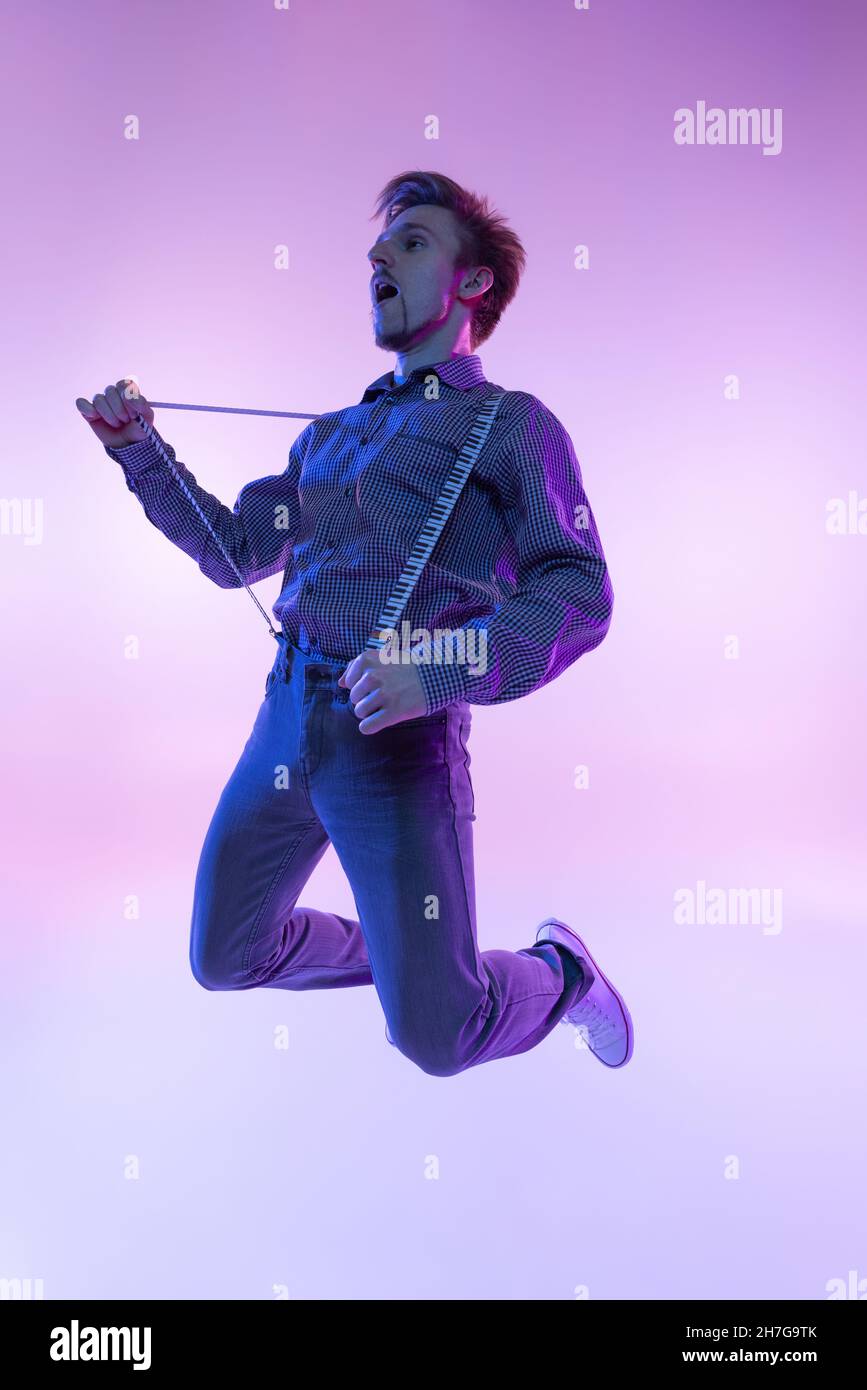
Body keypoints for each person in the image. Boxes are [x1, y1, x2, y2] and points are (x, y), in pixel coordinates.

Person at [75, 170, 633, 1076]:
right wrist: (141, 454)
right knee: (223, 955)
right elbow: (232, 551)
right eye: (379, 246)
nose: (378, 255)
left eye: (411, 243)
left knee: (438, 1037)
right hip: (285, 721)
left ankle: (559, 974)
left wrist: (442, 666)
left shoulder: (512, 428)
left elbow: (578, 592)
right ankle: (413, 958)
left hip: (395, 739)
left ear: (473, 283)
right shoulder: (327, 436)